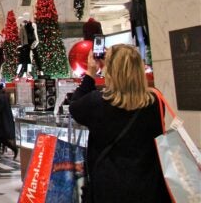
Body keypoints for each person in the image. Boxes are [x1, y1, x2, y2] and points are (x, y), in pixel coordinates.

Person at [69, 45, 170, 202]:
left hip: (110, 188)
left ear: (111, 71)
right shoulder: (155, 102)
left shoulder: (97, 103)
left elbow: (75, 107)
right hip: (149, 186)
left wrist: (90, 74)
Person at [0, 81, 18, 159]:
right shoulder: (5, 95)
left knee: (1, 138)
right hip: (5, 119)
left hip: (1, 121)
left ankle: (14, 149)